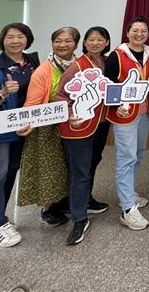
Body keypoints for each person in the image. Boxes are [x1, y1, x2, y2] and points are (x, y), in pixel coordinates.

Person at [0, 22, 39, 248]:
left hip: (24, 126)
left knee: (11, 171)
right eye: (10, 37)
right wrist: (3, 92)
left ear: (28, 39)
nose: (16, 41)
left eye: (21, 36)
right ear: (2, 40)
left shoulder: (32, 62)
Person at [17, 27, 80, 228]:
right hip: (47, 125)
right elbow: (32, 101)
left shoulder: (80, 64)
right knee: (50, 168)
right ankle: (48, 209)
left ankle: (65, 202)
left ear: (76, 44)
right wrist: (26, 122)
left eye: (68, 41)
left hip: (73, 122)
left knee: (68, 165)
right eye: (58, 41)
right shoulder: (44, 69)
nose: (62, 45)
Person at [56, 26, 113, 246]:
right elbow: (61, 95)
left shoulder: (108, 62)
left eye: (100, 39)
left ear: (106, 42)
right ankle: (79, 218)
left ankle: (86, 200)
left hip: (101, 123)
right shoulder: (77, 66)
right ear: (85, 43)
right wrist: (70, 114)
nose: (95, 43)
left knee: (93, 162)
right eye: (91, 39)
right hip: (77, 125)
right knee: (80, 170)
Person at [104, 16, 149, 231]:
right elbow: (108, 85)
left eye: (143, 31)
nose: (139, 34)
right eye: (135, 30)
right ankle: (127, 209)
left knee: (138, 154)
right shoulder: (116, 55)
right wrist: (116, 106)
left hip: (145, 112)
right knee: (126, 158)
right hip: (124, 115)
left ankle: (128, 194)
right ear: (127, 33)